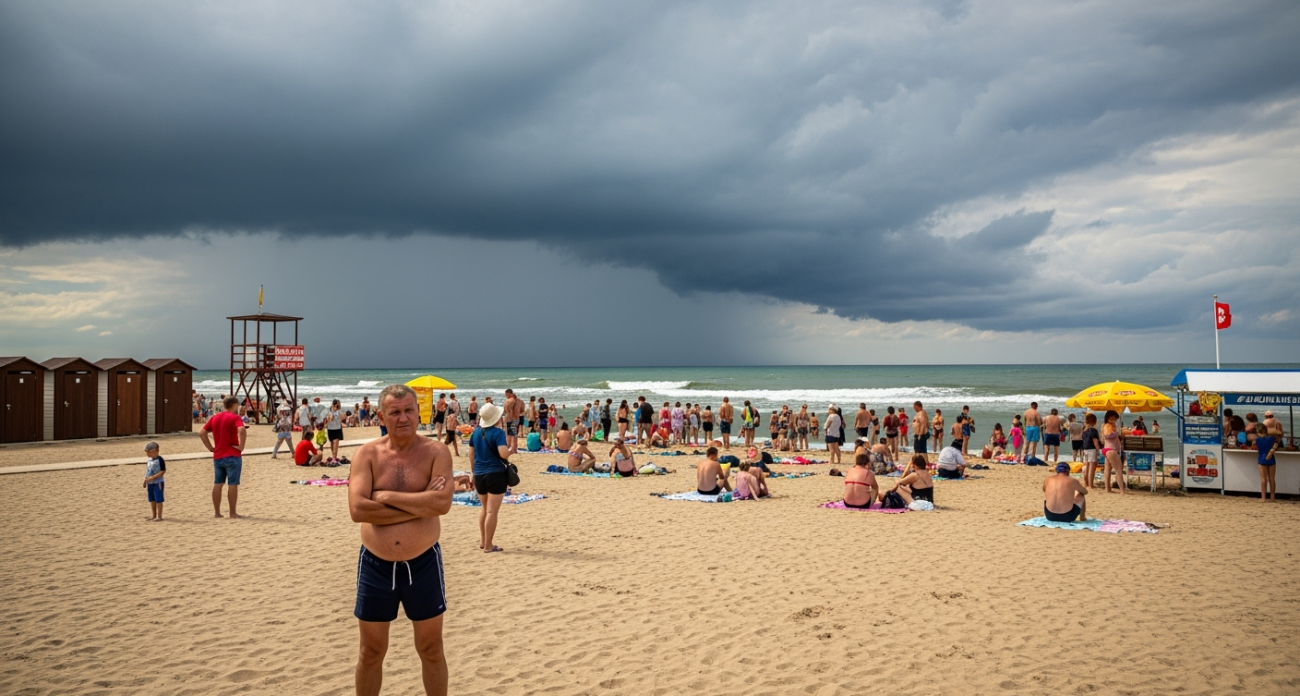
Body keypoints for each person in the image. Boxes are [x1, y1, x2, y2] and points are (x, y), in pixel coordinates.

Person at [348, 384, 453, 696]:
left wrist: (385, 497)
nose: (403, 417)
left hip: (423, 563)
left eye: (409, 410)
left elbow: (441, 505)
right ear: (382, 416)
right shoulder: (367, 454)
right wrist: (420, 503)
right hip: (375, 565)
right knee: (370, 652)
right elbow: (358, 510)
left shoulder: (436, 452)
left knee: (431, 648)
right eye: (395, 412)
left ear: (418, 413)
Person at [469, 402, 511, 553]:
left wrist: (473, 472)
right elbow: (503, 453)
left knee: (485, 509)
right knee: (492, 511)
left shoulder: (476, 432)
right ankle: (488, 545)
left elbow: (471, 454)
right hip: (495, 474)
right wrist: (510, 451)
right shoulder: (498, 433)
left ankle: (483, 541)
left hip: (479, 473)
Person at [200, 396, 246, 519]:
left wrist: (211, 448)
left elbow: (202, 432)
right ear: (234, 405)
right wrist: (241, 446)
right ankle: (232, 513)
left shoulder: (215, 417)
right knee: (233, 484)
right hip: (232, 454)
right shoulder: (234, 417)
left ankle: (217, 513)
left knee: (218, 483)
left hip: (218, 455)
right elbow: (242, 429)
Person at [1101, 410, 1125, 494]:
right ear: (1109, 418)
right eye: (1113, 419)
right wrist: (1117, 432)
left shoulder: (1106, 425)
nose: (1114, 420)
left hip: (1107, 449)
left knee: (1108, 469)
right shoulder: (1108, 426)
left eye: (1115, 419)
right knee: (1119, 469)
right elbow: (1108, 435)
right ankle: (1122, 490)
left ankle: (1108, 488)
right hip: (1111, 449)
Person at [1255, 423, 1279, 501]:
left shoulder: (1258, 440)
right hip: (1271, 458)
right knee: (1272, 479)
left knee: (1263, 479)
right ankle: (1272, 497)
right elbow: (1279, 434)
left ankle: (1263, 497)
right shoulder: (1272, 439)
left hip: (1262, 459)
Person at [143, 442, 166, 521]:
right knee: (152, 499)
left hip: (158, 482)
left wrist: (153, 477)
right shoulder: (149, 461)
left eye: (148, 452)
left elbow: (163, 471)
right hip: (150, 483)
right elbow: (148, 471)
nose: (147, 454)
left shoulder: (160, 460)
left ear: (154, 451)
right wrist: (145, 480)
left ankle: (159, 516)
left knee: (158, 499)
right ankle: (153, 515)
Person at [1081, 413, 1101, 488]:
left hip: (1085, 449)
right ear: (1094, 421)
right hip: (1092, 449)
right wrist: (1099, 450)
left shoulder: (1084, 430)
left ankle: (1086, 483)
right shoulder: (1094, 431)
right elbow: (1095, 442)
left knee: (1087, 466)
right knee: (1092, 468)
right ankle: (1091, 484)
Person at [502, 389, 523, 455]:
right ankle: (515, 448)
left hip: (509, 418)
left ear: (508, 393)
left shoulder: (508, 401)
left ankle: (510, 447)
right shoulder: (520, 401)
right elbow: (522, 410)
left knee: (509, 434)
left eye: (506, 394)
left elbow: (505, 410)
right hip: (517, 418)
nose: (506, 396)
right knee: (514, 434)